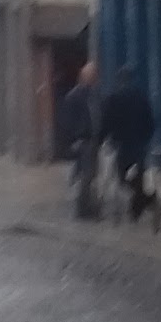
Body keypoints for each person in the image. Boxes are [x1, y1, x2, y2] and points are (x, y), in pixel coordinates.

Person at [101, 62, 156, 221]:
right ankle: (139, 206)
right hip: (139, 143)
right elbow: (150, 120)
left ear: (120, 80)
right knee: (139, 176)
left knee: (122, 176)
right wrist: (146, 137)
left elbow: (107, 120)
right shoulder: (141, 97)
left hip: (122, 143)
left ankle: (143, 201)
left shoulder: (114, 98)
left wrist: (105, 138)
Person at [58, 56, 104, 219]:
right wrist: (73, 140)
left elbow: (98, 115)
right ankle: (83, 210)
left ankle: (88, 206)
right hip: (83, 141)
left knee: (91, 176)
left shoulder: (95, 94)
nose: (95, 78)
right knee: (86, 175)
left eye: (95, 75)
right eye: (92, 75)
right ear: (84, 76)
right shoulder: (75, 96)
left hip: (94, 140)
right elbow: (67, 122)